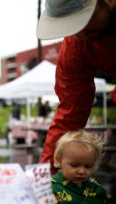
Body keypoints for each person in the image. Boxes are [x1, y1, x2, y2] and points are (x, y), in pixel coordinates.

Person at [36, 0, 116, 174]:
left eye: (83, 20)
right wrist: (44, 180)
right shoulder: (77, 43)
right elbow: (69, 114)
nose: (79, 34)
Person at [51, 130, 116, 204]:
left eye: (88, 166)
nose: (81, 171)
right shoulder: (51, 191)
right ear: (58, 160)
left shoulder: (98, 191)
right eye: (74, 165)